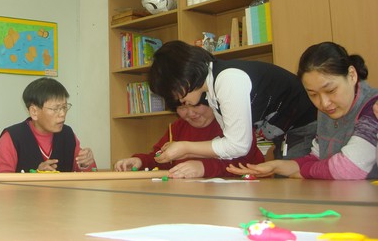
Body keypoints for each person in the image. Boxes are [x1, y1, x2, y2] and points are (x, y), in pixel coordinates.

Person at [148, 40, 317, 164]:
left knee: (295, 185)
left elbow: (238, 146)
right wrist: (185, 152)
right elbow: (229, 146)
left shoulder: (227, 80)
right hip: (289, 134)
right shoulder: (212, 89)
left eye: (173, 91)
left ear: (183, 77)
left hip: (308, 127)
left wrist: (186, 148)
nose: (177, 99)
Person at [228, 42, 378, 180]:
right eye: (313, 94)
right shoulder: (327, 111)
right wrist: (276, 166)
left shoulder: (373, 107)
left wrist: (303, 172)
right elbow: (316, 157)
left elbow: (350, 168)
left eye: (331, 90)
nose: (324, 103)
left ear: (352, 75)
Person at [114, 99, 264, 178]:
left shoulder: (232, 122)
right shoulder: (177, 127)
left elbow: (250, 165)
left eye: (196, 105)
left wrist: (203, 168)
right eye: (182, 107)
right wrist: (140, 161)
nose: (190, 113)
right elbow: (161, 158)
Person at [0, 77, 96, 173]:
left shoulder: (68, 134)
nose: (62, 114)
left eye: (64, 107)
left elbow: (88, 175)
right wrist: (36, 175)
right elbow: (1, 182)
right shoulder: (11, 138)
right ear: (34, 112)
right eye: (55, 109)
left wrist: (85, 162)